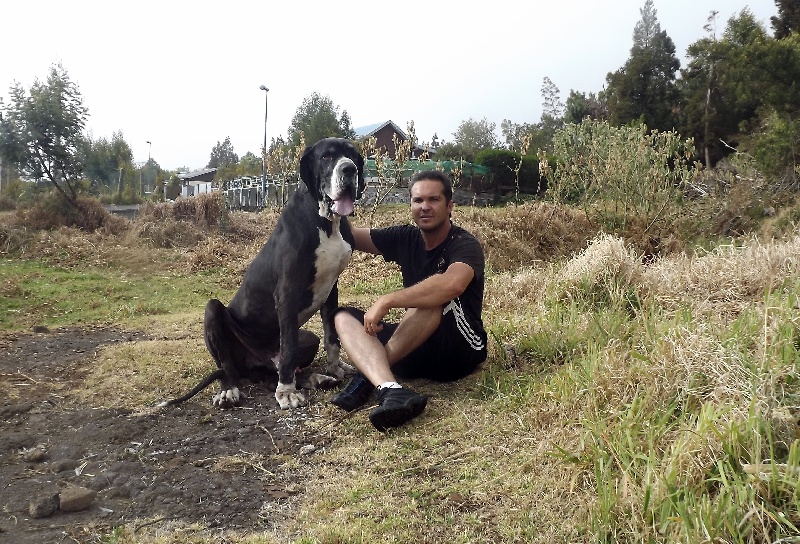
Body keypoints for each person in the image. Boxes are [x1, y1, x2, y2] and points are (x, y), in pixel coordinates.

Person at [330, 170, 487, 431]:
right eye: (418, 200)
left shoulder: (464, 244)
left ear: (449, 206)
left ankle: (367, 377)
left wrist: (388, 300)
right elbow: (351, 235)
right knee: (343, 317)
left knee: (432, 299)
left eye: (433, 199)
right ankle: (390, 388)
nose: (425, 206)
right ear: (411, 205)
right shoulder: (405, 237)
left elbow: (453, 284)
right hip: (414, 349)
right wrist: (334, 203)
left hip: (458, 352)